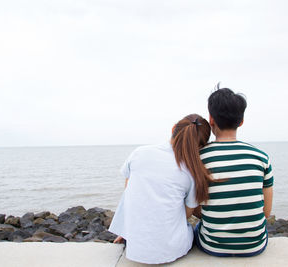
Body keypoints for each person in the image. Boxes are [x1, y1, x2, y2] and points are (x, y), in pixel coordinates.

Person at [109, 114, 212, 264]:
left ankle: (126, 233)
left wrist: (128, 230)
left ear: (173, 129)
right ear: (200, 147)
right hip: (172, 250)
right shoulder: (192, 172)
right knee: (193, 229)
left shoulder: (139, 153)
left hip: (134, 247)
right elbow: (185, 215)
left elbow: (130, 195)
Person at [194, 85, 274, 257]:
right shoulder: (261, 157)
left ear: (211, 119)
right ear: (241, 121)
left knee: (195, 228)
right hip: (254, 246)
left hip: (212, 247)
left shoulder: (199, 157)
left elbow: (192, 205)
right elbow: (266, 212)